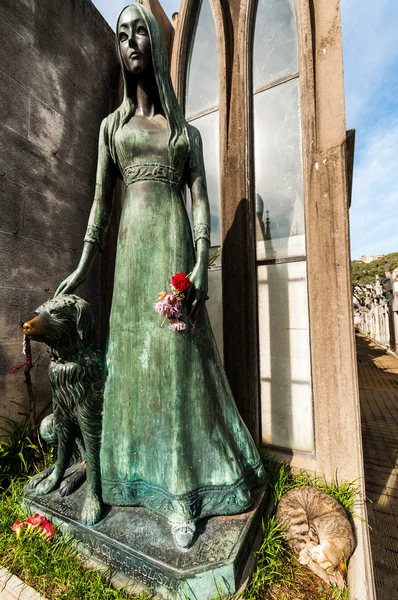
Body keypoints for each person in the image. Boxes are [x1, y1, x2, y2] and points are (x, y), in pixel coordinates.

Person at [56, 1, 265, 550]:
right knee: (128, 369)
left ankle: (182, 494)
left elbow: (201, 204)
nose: (128, 43)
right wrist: (80, 269)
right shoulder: (111, 129)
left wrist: (199, 263)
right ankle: (126, 481)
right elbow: (101, 207)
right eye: (120, 35)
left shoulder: (185, 134)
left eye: (138, 33)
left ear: (154, 42)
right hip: (130, 259)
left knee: (175, 370)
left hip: (172, 252)